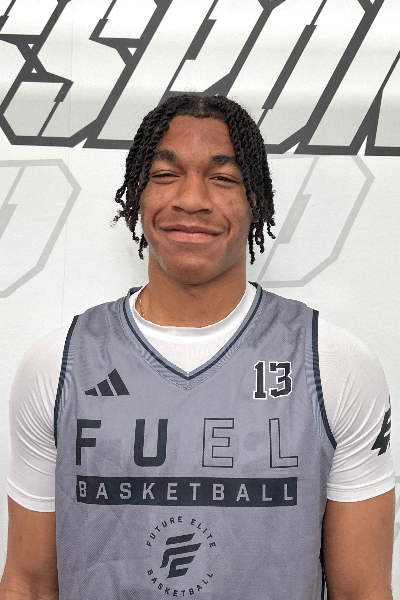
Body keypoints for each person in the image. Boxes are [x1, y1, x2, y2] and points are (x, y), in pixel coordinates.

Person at [0, 94, 395, 600]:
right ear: (137, 196)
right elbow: (30, 584)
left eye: (223, 178)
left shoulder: (334, 364)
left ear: (257, 200)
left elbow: (361, 591)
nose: (191, 199)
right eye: (166, 175)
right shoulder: (57, 364)